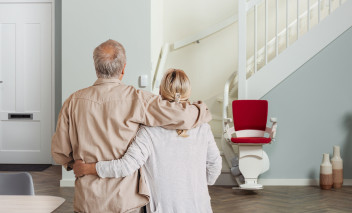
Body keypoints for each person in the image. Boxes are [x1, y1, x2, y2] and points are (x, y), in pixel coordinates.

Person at [51, 40, 212, 213]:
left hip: (88, 201)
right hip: (125, 202)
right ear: (123, 69)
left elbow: (59, 152)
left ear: (96, 68)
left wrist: (74, 164)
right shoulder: (138, 99)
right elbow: (181, 116)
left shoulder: (73, 102)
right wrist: (202, 110)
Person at [73, 69, 222, 213]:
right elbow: (215, 164)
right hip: (200, 206)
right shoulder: (203, 128)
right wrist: (199, 186)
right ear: (188, 93)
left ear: (160, 93)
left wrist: (88, 168)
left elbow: (126, 166)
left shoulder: (149, 131)